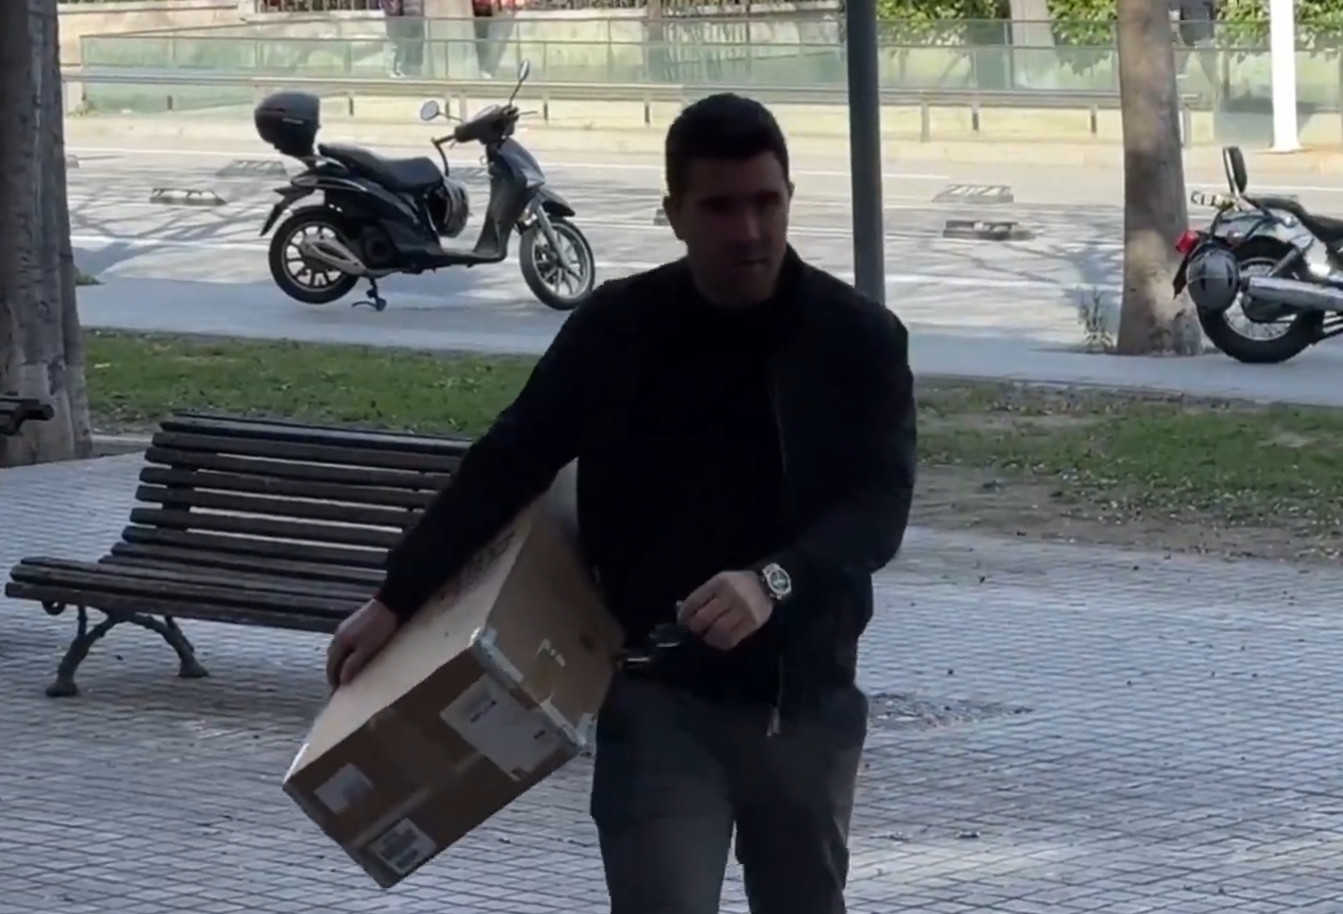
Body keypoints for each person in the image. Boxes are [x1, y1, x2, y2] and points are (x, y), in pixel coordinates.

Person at [326, 93, 917, 914]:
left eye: (765, 202)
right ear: (675, 214)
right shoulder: (619, 327)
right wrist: (397, 597)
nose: (748, 230)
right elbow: (509, 461)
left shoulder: (857, 339)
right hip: (656, 693)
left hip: (801, 700)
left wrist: (773, 580)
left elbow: (878, 505)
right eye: (719, 207)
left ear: (788, 197)